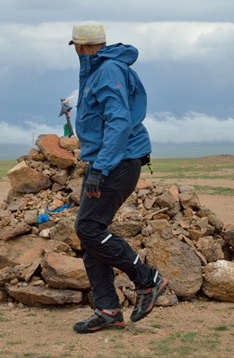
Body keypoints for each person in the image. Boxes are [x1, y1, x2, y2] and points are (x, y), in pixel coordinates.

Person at [69, 21, 169, 333]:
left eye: (75, 46)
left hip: (117, 162)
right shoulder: (97, 69)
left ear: (81, 46)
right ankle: (108, 308)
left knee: (87, 228)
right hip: (106, 160)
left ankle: (147, 279)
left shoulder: (108, 70)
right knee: (91, 236)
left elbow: (119, 122)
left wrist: (100, 168)